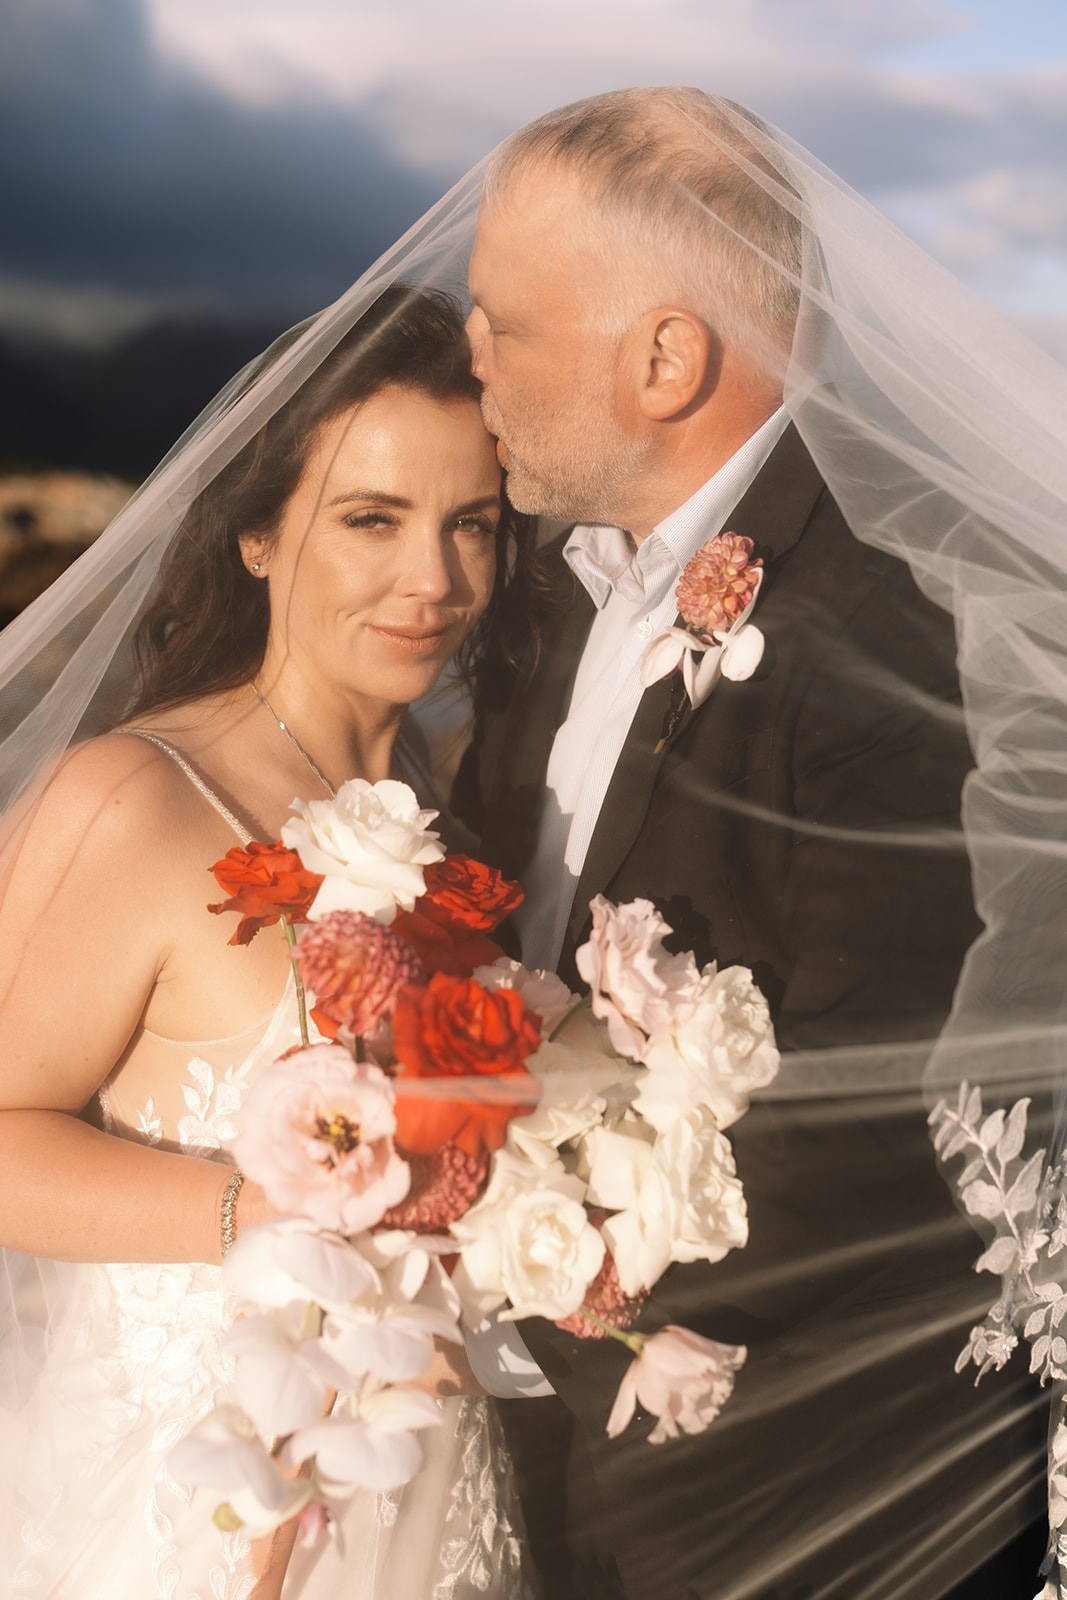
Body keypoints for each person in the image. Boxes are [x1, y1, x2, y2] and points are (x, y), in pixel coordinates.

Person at [455, 89, 1063, 1599]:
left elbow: (880, 1101)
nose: (470, 367)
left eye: (499, 328)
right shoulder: (541, 594)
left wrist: (528, 1273)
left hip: (785, 1492)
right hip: (523, 1445)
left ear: (665, 358)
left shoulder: (891, 615)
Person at [0, 284, 536, 1599]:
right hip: (182, 1509)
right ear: (256, 533)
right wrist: (270, 1211)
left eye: (473, 526)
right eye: (372, 520)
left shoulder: (462, 842)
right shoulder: (130, 802)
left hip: (427, 1499)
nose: (435, 580)